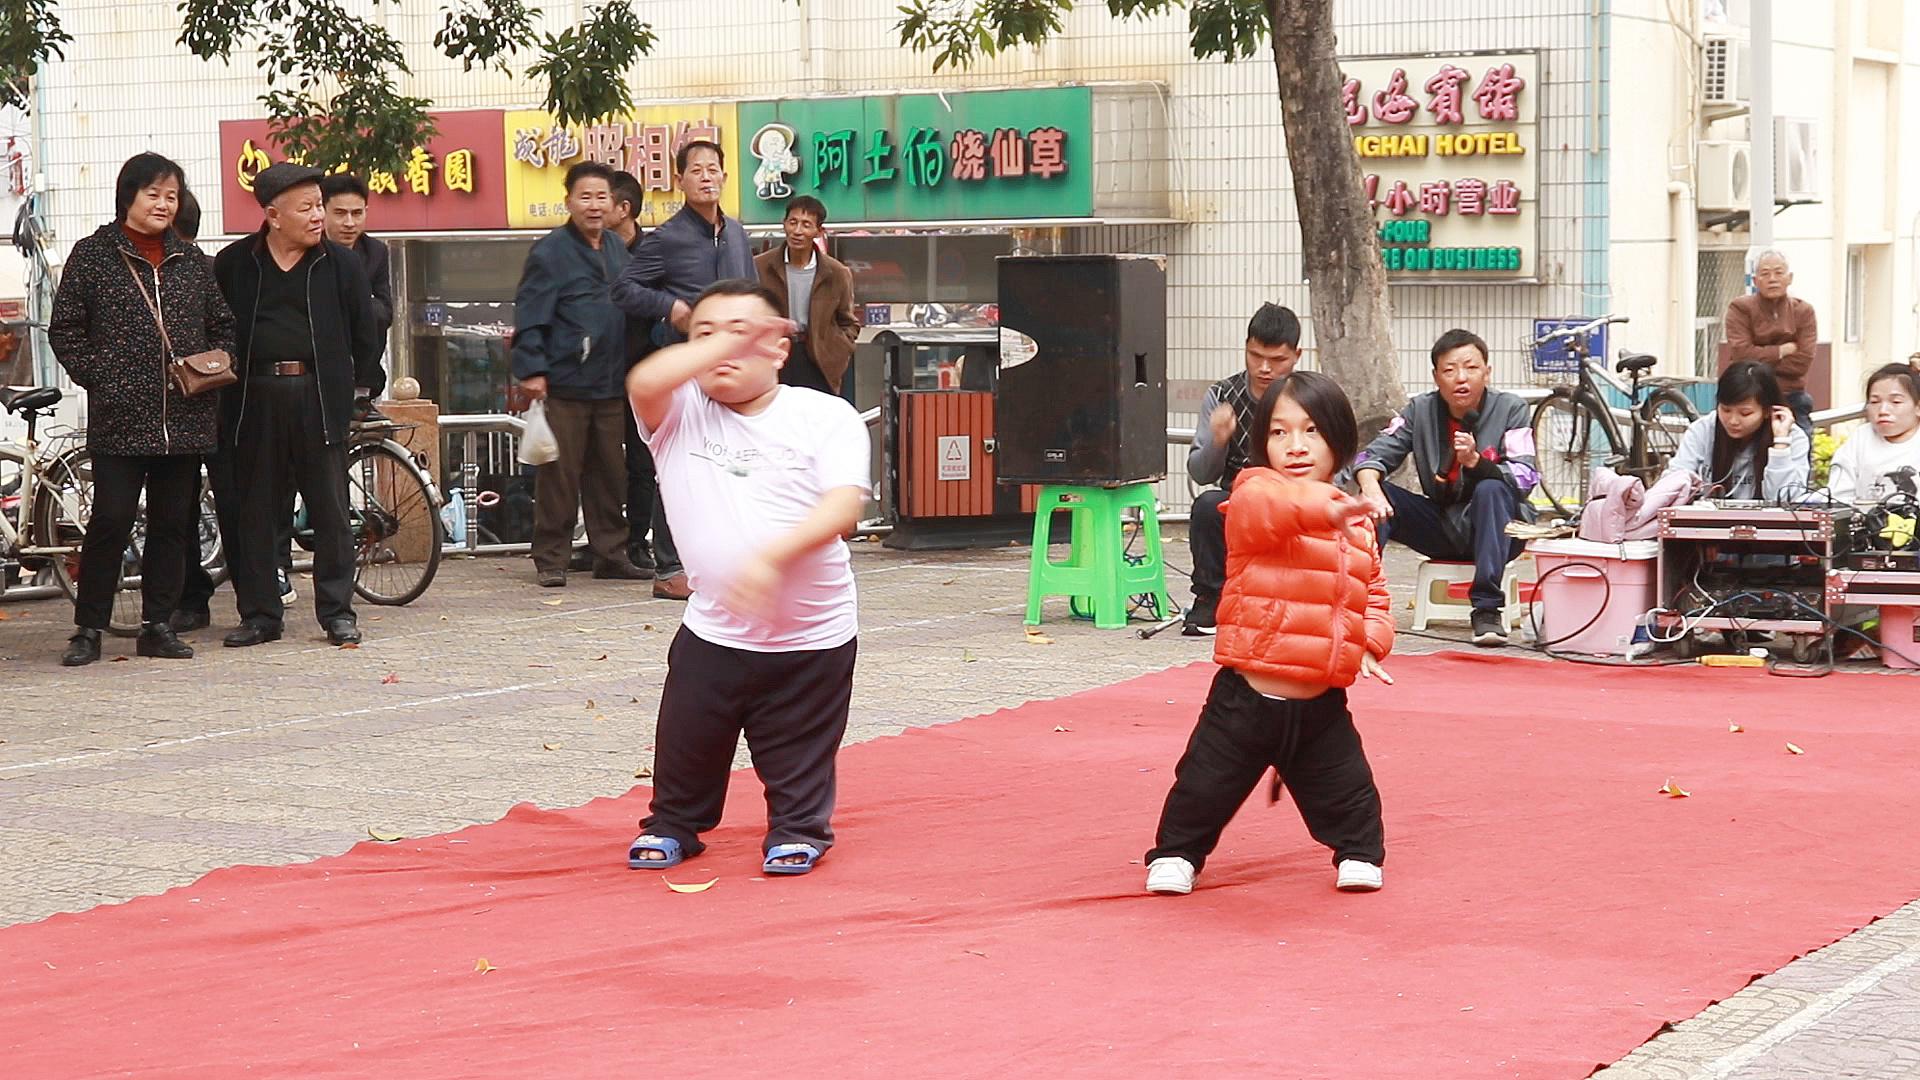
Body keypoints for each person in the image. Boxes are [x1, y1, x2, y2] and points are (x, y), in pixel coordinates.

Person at [622, 279, 869, 877]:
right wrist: (727, 339)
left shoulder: (823, 416)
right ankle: (674, 825)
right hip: (715, 629)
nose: (719, 350)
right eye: (703, 336)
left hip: (813, 632)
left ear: (779, 350)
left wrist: (769, 558)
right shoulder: (678, 414)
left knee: (799, 746)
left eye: (743, 334)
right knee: (688, 741)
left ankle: (797, 829)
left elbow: (843, 510)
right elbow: (645, 381)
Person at [1144, 371, 1395, 897]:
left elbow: (1374, 592)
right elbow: (1274, 512)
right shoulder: (1255, 492)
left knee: (1350, 792)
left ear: (1340, 440)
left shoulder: (1358, 522)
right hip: (1246, 696)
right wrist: (1324, 508)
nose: (1295, 446)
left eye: (1311, 431)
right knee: (1203, 785)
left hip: (1320, 698)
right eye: (1279, 433)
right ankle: (1176, 853)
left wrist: (1370, 640)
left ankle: (1357, 852)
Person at [48, 153, 235, 666]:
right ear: (127, 195)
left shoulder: (194, 263)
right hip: (120, 418)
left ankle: (158, 625)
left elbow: (223, 326)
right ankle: (88, 628)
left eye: (171, 196)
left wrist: (217, 366)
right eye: (153, 194)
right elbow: (64, 329)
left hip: (187, 417)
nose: (163, 204)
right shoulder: (92, 256)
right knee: (111, 519)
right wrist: (104, 379)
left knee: (173, 524)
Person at [211, 162, 384, 648]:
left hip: (318, 396)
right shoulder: (235, 263)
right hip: (253, 398)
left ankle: (337, 612)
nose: (318, 217)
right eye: (306, 207)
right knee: (258, 510)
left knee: (329, 509)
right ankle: (261, 613)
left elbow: (364, 336)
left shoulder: (341, 264)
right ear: (272, 214)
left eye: (318, 206)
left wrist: (358, 393)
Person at [611, 139, 753, 602]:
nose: (707, 176)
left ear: (725, 178)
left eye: (714, 169)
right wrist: (669, 306)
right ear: (681, 180)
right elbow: (624, 289)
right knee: (682, 466)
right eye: (697, 170)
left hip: (732, 369)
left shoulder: (736, 233)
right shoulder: (667, 238)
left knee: (729, 465)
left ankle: (718, 560)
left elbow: (749, 293)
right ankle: (669, 566)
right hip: (685, 370)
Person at [510, 161, 648, 588]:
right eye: (584, 197)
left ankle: (610, 553)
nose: (593, 205)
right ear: (568, 201)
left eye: (601, 197)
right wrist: (532, 368)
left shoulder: (614, 248)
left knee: (610, 472)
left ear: (613, 204)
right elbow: (531, 313)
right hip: (564, 380)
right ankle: (551, 557)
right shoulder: (550, 251)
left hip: (609, 381)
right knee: (560, 474)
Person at [1354, 329, 1537, 647]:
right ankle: (1361, 602)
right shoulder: (1418, 410)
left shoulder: (1511, 409)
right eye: (1450, 370)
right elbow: (1374, 453)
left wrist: (1477, 463)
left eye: (1471, 367)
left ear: (1487, 371)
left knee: (1491, 488)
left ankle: (1487, 609)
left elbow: (1525, 477)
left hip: (1502, 528)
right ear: (1436, 376)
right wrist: (1370, 485)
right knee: (1377, 498)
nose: (1461, 378)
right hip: (1443, 524)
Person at [1182, 303, 1301, 635]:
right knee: (1206, 506)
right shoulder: (1222, 395)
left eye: (1277, 360)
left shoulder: (1310, 396)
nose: (1264, 368)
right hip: (1237, 498)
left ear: (1296, 356)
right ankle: (1210, 598)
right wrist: (1218, 440)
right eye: (1255, 356)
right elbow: (1200, 473)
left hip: (1293, 499)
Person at [607, 168, 664, 576]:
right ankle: (603, 544)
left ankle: (637, 542)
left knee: (643, 463)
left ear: (624, 209)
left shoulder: (655, 252)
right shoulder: (591, 251)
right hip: (598, 374)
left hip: (644, 374)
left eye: (603, 200)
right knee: (600, 464)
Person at [752, 195, 861, 398]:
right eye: (792, 222)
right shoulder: (760, 266)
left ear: (818, 231)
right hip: (774, 356)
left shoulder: (836, 273)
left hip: (818, 359)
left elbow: (848, 322)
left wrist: (838, 350)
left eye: (806, 225)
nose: (798, 231)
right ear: (784, 224)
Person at [1662, 360, 1809, 500]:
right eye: (1725, 410)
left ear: (1767, 411)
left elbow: (1785, 500)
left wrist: (1780, 445)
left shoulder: (1793, 438)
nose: (1733, 421)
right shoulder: (1704, 429)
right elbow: (1674, 481)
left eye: (1745, 413)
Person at [1725, 250, 1818, 443]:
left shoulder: (1803, 312)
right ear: (1756, 280)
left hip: (1790, 394)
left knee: (1800, 447)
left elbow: (1802, 363)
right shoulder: (1740, 308)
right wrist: (1781, 351)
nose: (1772, 279)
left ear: (1789, 278)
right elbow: (1742, 355)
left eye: (1778, 272)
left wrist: (1757, 358)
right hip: (1747, 393)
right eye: (1765, 273)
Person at [1828, 363, 1920, 503]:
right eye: (1875, 402)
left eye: (1895, 402)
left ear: (1917, 407)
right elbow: (1839, 495)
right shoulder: (1861, 438)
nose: (1883, 410)